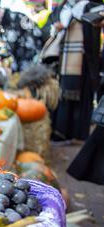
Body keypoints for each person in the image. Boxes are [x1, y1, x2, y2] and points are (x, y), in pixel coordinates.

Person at [51, 0, 102, 143]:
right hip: (68, 58)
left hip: (84, 58)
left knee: (81, 95)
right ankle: (63, 133)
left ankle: (77, 134)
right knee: (66, 96)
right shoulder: (64, 6)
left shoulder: (88, 5)